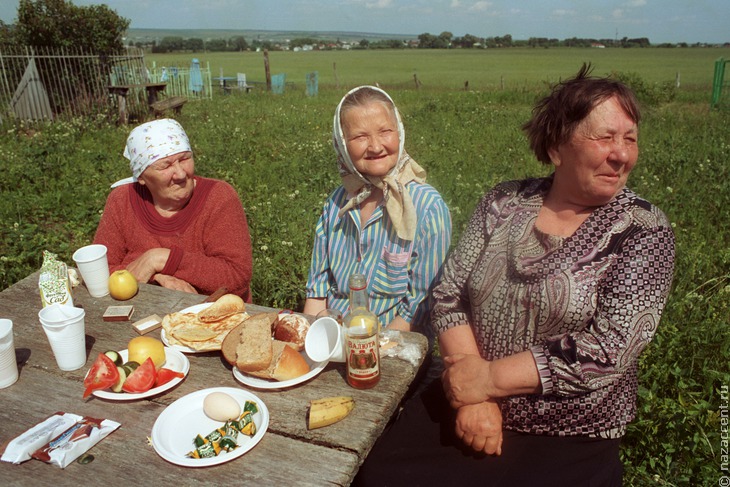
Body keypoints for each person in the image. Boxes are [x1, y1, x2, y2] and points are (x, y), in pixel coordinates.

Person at [353, 65, 676, 486]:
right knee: (374, 477)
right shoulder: (504, 202)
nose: (621, 154)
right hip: (460, 395)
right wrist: (470, 386)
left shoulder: (643, 230)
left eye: (630, 139)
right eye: (605, 137)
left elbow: (607, 350)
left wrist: (486, 381)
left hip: (568, 432)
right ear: (558, 147)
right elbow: (448, 294)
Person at [303, 86, 452, 339]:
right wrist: (318, 339)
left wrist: (368, 348)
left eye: (385, 132)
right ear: (341, 143)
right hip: (335, 341)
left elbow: (417, 309)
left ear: (400, 132)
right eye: (360, 137)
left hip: (396, 345)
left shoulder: (428, 207)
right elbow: (317, 294)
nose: (374, 146)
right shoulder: (336, 204)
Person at [93, 118, 253, 301]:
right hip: (142, 312)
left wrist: (161, 259)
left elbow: (236, 276)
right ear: (142, 176)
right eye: (166, 165)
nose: (181, 173)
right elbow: (100, 270)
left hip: (215, 315)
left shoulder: (219, 197)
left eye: (185, 159)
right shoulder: (121, 200)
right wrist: (158, 277)